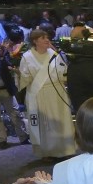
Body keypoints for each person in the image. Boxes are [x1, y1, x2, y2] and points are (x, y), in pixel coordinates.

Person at [19, 29, 77, 160]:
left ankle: (64, 150)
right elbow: (24, 78)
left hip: (56, 92)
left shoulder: (54, 54)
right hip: (39, 94)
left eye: (47, 37)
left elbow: (64, 72)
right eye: (42, 38)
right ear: (35, 41)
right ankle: (46, 152)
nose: (47, 40)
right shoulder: (27, 57)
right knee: (44, 124)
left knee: (60, 121)